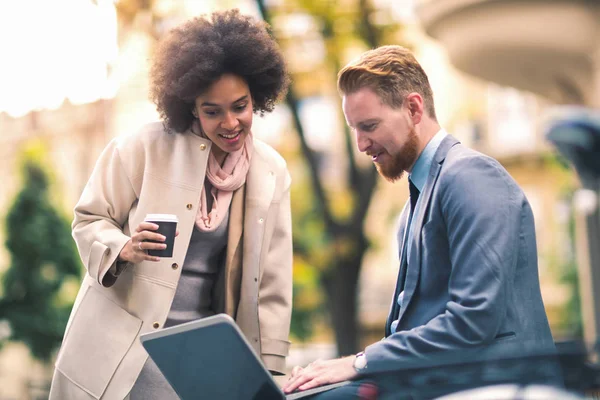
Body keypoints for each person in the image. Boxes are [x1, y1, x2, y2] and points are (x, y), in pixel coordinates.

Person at [283, 45, 556, 399]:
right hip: (433, 384)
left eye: (369, 126)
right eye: (354, 129)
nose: (361, 144)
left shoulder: (471, 175)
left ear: (413, 108)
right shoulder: (412, 206)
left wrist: (359, 362)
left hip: (491, 386)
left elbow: (472, 321)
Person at [49, 9, 293, 400]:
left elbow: (273, 285)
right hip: (117, 350)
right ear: (191, 106)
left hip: (196, 359)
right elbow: (88, 219)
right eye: (212, 110)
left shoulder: (271, 172)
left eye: (240, 105)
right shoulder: (141, 147)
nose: (229, 122)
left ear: (258, 99)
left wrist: (271, 371)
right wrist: (122, 248)